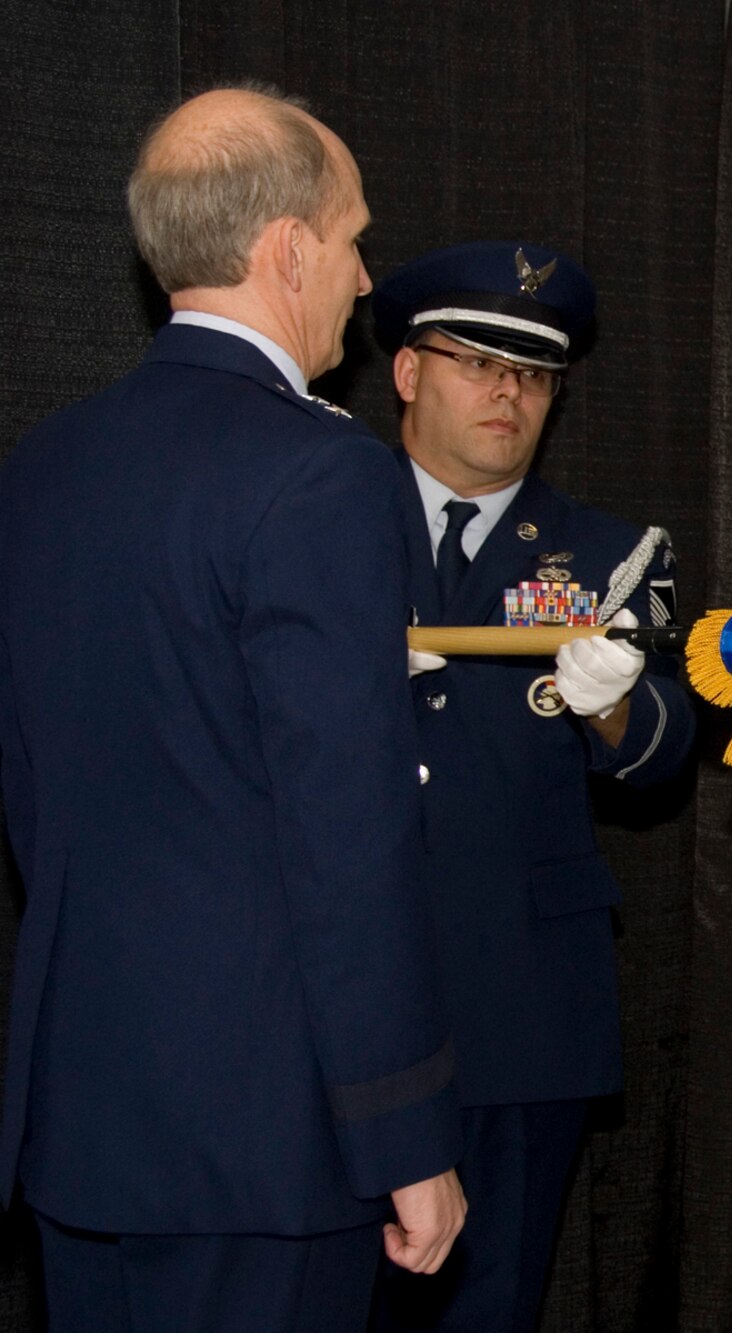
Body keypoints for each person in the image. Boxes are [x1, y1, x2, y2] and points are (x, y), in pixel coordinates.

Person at [0, 86, 465, 1333]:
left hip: (83, 1118)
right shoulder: (323, 474)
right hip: (264, 1134)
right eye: (355, 237)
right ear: (287, 249)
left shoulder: (40, 469)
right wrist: (406, 1132)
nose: (367, 281)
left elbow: (37, 795)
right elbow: (347, 834)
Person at [368, 241, 696, 1333]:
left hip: (520, 1004)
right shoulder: (321, 519)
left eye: (535, 373)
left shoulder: (600, 554)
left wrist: (606, 698)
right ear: (409, 373)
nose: (509, 392)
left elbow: (661, 753)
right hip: (341, 997)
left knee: (491, 1303)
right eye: (478, 362)